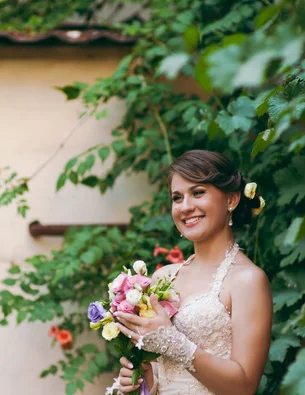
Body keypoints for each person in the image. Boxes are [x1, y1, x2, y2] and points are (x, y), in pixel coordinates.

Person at [113, 150, 273, 395]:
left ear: (231, 200)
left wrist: (174, 342)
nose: (185, 207)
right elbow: (161, 373)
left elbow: (244, 387)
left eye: (198, 193)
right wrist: (143, 380)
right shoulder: (163, 278)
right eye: (177, 198)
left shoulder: (247, 280)